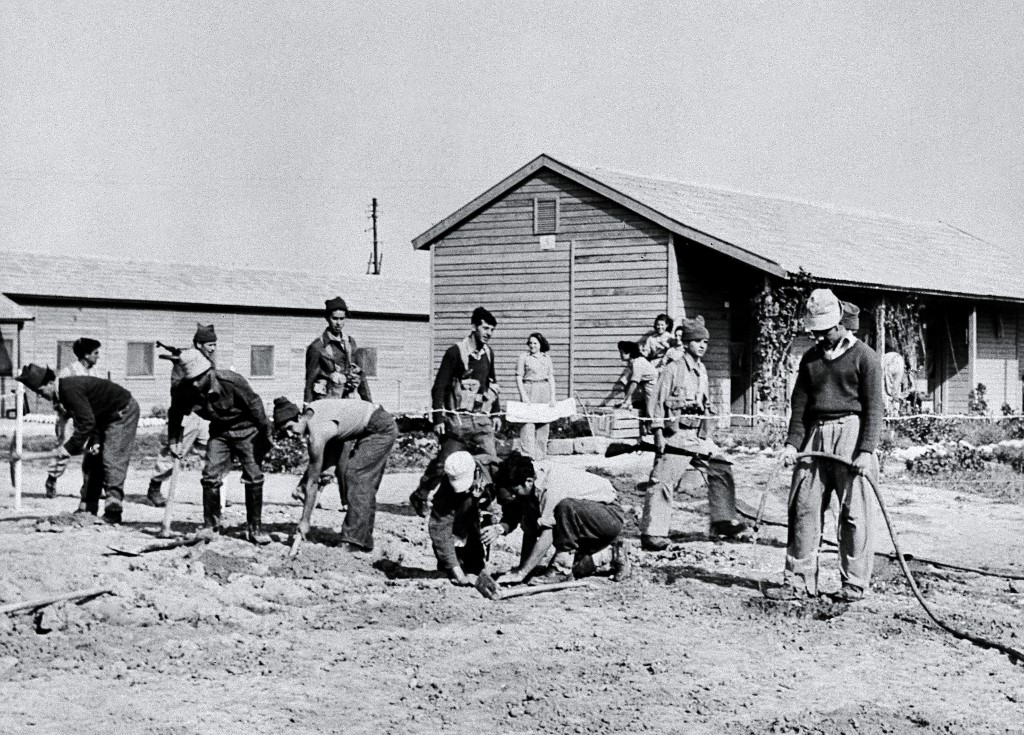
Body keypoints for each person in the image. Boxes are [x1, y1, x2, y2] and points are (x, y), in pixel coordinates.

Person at [766, 289, 883, 603]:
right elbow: (799, 407)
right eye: (817, 331)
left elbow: (874, 408)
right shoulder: (811, 359)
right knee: (803, 506)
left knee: (853, 514)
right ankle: (798, 581)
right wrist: (792, 445)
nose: (822, 336)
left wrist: (866, 450)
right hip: (815, 435)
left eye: (827, 330)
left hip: (852, 432)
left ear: (840, 324)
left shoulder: (865, 357)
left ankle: (854, 584)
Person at [640, 316, 751, 551]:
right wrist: (658, 434)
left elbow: (705, 405)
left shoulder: (701, 369)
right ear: (687, 343)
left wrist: (707, 433)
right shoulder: (673, 369)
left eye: (706, 342)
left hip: (697, 436)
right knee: (662, 480)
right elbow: (657, 403)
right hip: (676, 435)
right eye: (698, 341)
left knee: (721, 466)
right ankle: (653, 533)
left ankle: (721, 522)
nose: (703, 345)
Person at [167, 350, 273, 544]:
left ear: (208, 372)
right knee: (210, 476)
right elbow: (175, 413)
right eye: (190, 380)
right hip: (220, 433)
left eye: (198, 379)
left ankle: (255, 529)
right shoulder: (186, 388)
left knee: (254, 477)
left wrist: (265, 438)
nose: (195, 384)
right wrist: (174, 439)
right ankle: (210, 526)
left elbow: (256, 407)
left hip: (247, 430)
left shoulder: (231, 381)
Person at [17, 364, 139, 524]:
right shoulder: (64, 393)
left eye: (41, 392)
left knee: (112, 460)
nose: (42, 396)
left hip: (122, 413)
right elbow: (93, 413)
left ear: (49, 383)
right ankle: (87, 508)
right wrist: (94, 441)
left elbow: (87, 422)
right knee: (91, 460)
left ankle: (113, 511)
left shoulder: (69, 390)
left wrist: (68, 448)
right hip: (103, 417)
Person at [409, 306, 501, 517]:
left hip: (481, 420)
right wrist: (439, 418)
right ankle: (421, 494)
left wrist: (495, 413)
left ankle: (484, 500)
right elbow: (439, 387)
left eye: (492, 330)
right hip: (457, 420)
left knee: (490, 461)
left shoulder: (488, 353)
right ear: (474, 327)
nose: (488, 333)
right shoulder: (455, 352)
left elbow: (492, 383)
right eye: (485, 328)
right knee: (444, 464)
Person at [275, 396, 398, 552]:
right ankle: (363, 539)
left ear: (299, 417)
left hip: (380, 428)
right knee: (359, 479)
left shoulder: (317, 433)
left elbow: (312, 483)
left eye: (290, 428)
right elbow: (324, 464)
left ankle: (354, 540)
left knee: (356, 475)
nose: (290, 435)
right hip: (370, 425)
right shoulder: (312, 411)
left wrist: (305, 521)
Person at [492, 452, 630, 585]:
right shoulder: (530, 482)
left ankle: (561, 571)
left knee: (565, 507)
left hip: (608, 516)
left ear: (528, 482)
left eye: (516, 492)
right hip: (583, 523)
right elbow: (530, 532)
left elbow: (548, 533)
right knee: (578, 568)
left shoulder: (549, 486)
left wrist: (522, 572)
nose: (514, 497)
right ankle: (612, 553)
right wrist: (523, 569)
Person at [146, 323, 217, 508]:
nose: (213, 348)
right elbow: (177, 389)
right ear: (199, 344)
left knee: (210, 450)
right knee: (173, 453)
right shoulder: (185, 361)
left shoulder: (207, 360)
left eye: (215, 345)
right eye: (210, 345)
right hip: (187, 413)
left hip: (205, 414)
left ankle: (216, 491)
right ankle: (154, 487)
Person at [427, 451, 502, 586]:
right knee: (450, 568)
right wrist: (459, 575)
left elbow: (514, 499)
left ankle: (477, 563)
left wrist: (498, 527)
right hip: (461, 524)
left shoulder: (495, 468)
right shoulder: (446, 490)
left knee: (476, 567)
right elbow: (440, 529)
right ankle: (458, 562)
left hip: (485, 509)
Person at [44, 337, 101, 500]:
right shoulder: (68, 372)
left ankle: (88, 487)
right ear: (86, 354)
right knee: (65, 449)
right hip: (70, 419)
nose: (98, 356)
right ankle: (52, 479)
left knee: (93, 450)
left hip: (89, 419)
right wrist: (64, 410)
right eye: (95, 353)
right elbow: (56, 397)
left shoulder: (96, 373)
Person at [304, 296, 372, 404]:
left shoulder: (350, 343)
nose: (338, 323)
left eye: (342, 319)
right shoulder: (317, 347)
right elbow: (310, 382)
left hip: (347, 399)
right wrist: (307, 407)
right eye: (335, 318)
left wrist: (369, 403)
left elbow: (360, 376)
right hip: (326, 401)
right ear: (327, 318)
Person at [515, 332, 556, 460]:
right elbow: (519, 377)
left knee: (543, 423)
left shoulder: (546, 358)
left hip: (544, 390)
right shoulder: (524, 357)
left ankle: (540, 456)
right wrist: (523, 395)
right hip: (529, 389)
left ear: (540, 344)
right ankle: (527, 456)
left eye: (535, 343)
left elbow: (550, 377)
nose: (532, 346)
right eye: (530, 343)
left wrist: (553, 396)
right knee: (528, 423)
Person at [616, 340, 658, 414]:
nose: (620, 355)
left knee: (651, 409)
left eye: (621, 353)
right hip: (643, 384)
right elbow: (626, 380)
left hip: (652, 385)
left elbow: (634, 383)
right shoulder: (631, 362)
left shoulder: (638, 363)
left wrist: (625, 399)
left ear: (629, 353)